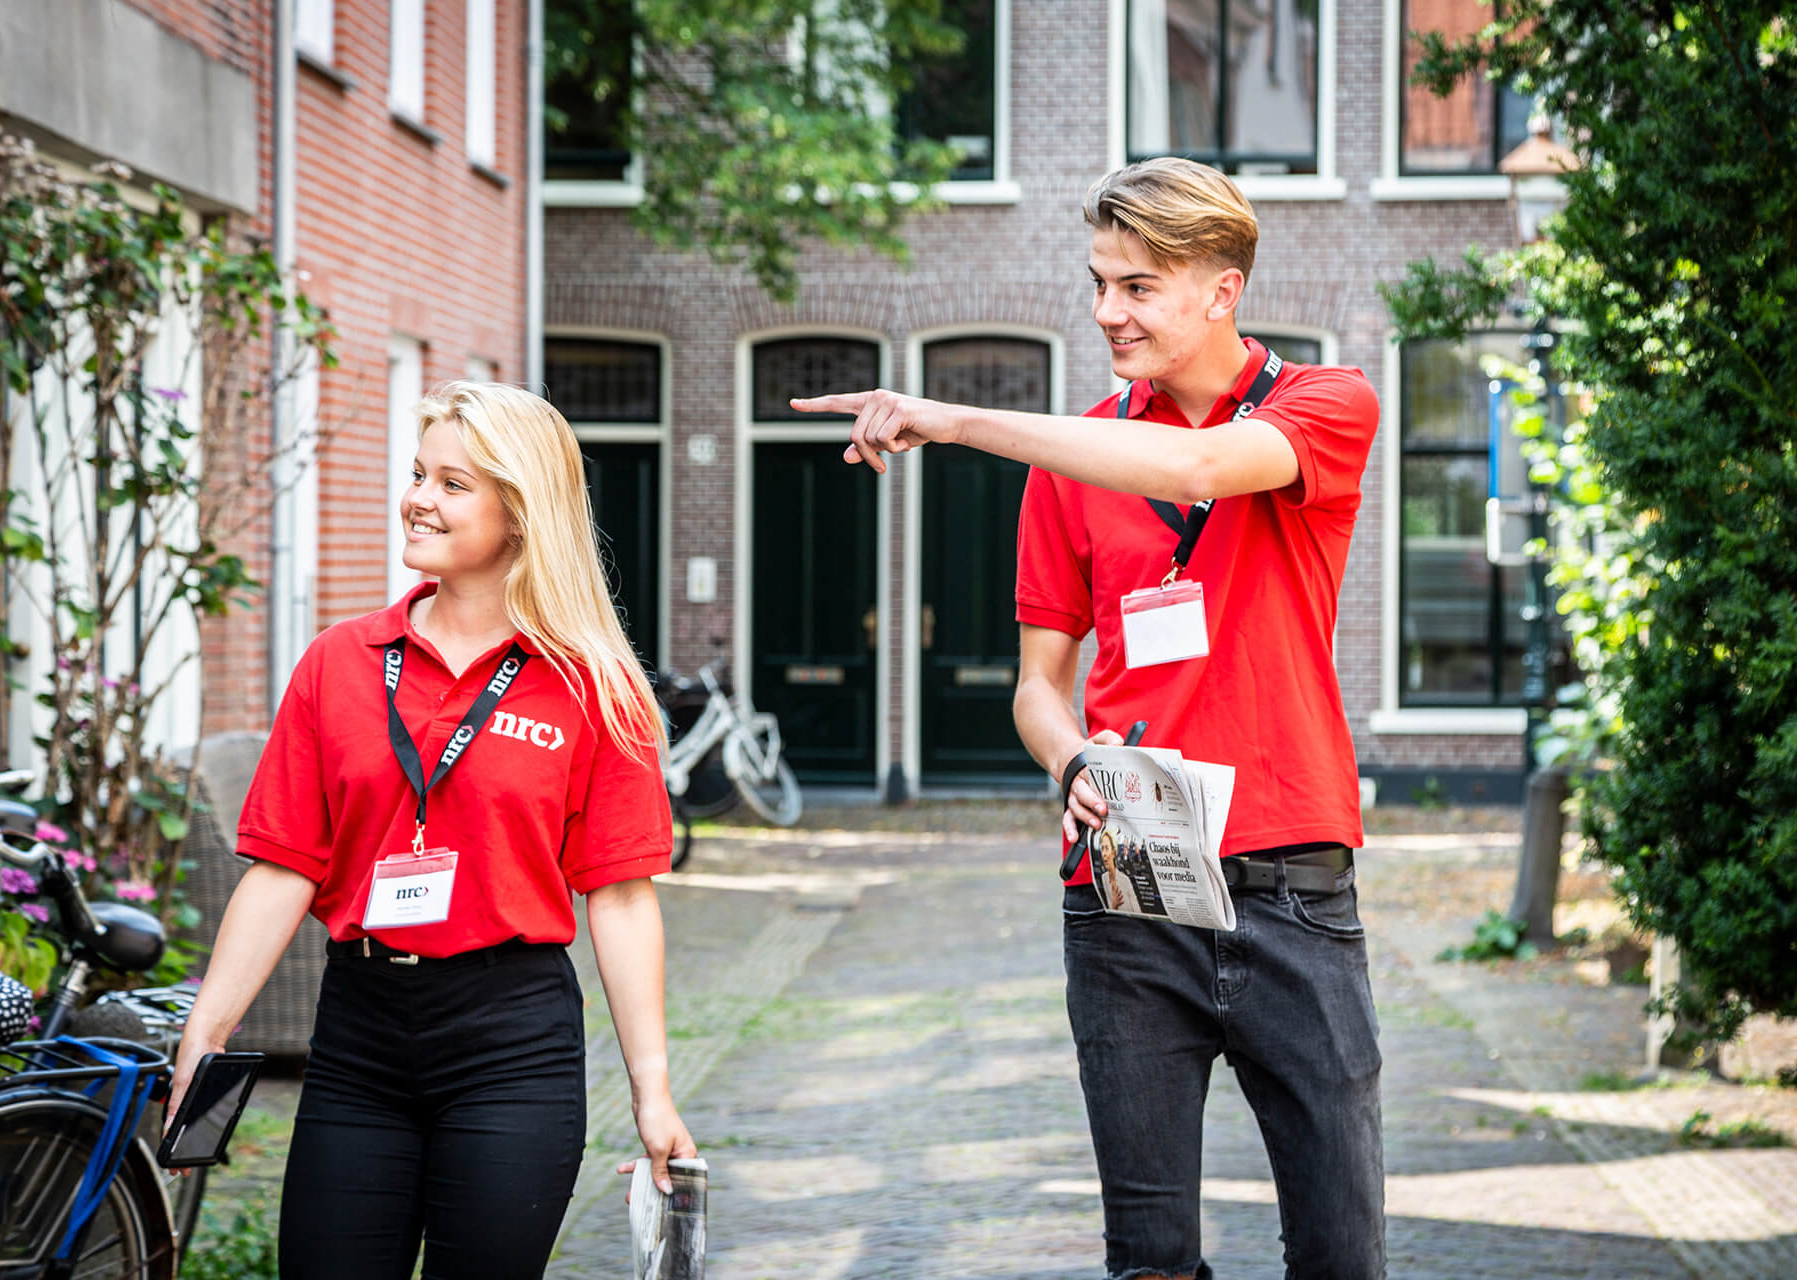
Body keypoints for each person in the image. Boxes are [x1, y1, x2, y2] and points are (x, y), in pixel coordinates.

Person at [792, 157, 1384, 1279]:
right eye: (1099, 281)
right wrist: (1072, 758)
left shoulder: (1327, 402)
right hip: (1127, 882)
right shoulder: (1070, 463)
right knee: (1147, 1259)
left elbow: (1206, 464)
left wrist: (954, 417)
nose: (1106, 310)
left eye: (1138, 286)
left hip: (1292, 885)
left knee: (1341, 1251)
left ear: (1222, 290)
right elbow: (1035, 686)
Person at [166, 382, 694, 1280]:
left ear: (522, 512)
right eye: (418, 475)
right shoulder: (341, 661)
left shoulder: (593, 688)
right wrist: (203, 1033)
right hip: (359, 1036)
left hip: (510, 1040)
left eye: (453, 483)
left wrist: (653, 1091)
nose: (417, 498)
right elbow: (282, 868)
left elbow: (620, 894)